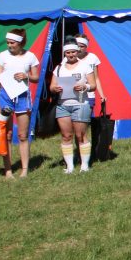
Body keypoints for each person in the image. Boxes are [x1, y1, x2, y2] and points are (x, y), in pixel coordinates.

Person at [0, 29, 40, 178]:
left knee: (22, 135)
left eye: (12, 43)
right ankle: (8, 170)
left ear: (20, 42)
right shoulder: (2, 56)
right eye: (8, 42)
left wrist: (27, 76)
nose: (9, 45)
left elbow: (36, 77)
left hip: (22, 97)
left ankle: (24, 169)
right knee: (7, 134)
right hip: (5, 97)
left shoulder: (30, 56)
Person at [49, 42, 97, 174]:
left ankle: (84, 166)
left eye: (73, 52)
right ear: (64, 53)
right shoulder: (59, 68)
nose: (71, 54)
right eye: (68, 52)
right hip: (63, 105)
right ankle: (69, 166)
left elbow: (93, 85)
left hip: (81, 103)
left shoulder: (85, 66)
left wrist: (85, 87)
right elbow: (52, 86)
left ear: (77, 52)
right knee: (66, 135)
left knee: (80, 135)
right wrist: (55, 88)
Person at [72, 34, 107, 117]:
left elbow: (96, 78)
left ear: (86, 46)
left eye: (82, 46)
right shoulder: (70, 58)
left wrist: (102, 95)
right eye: (77, 46)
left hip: (89, 94)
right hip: (73, 95)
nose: (79, 48)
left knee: (85, 119)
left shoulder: (92, 58)